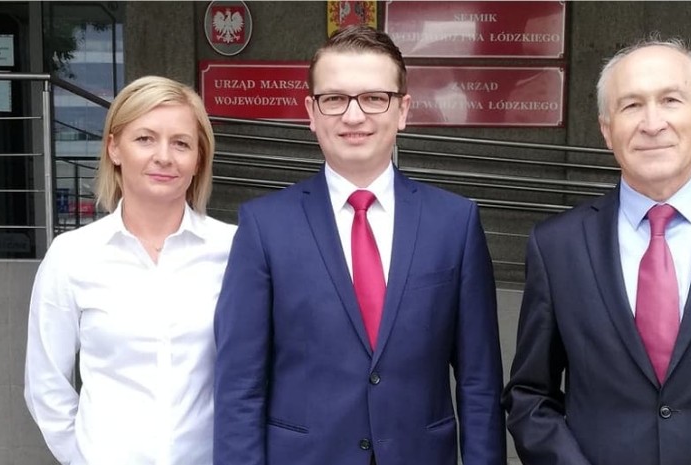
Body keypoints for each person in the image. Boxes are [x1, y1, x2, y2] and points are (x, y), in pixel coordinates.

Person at [214, 25, 505, 465]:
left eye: (374, 98)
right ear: (311, 113)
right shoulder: (263, 226)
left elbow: (479, 382)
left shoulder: (455, 223)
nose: (354, 116)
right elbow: (240, 385)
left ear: (403, 110)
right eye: (334, 99)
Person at [503, 36, 691, 465]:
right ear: (606, 129)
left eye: (671, 100)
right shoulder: (557, 246)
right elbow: (530, 395)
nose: (652, 123)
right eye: (632, 105)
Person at [24, 75, 236, 465]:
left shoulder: (234, 250)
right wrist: (82, 458)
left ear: (198, 160)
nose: (164, 156)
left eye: (181, 143)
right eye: (145, 138)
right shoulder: (73, 256)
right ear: (114, 148)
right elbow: (45, 384)